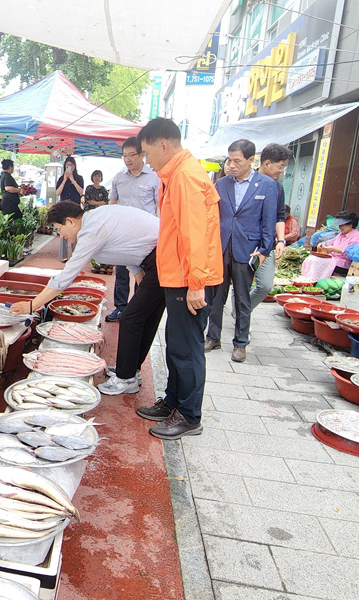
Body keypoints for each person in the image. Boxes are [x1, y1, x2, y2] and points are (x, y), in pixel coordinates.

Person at [8, 201, 163, 395]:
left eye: (59, 229)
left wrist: (32, 305)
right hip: (156, 258)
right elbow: (126, 245)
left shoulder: (91, 231)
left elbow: (66, 277)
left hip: (163, 257)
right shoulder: (95, 219)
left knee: (131, 318)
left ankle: (126, 378)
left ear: (70, 221)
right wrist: (139, 272)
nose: (61, 235)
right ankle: (131, 370)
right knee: (143, 316)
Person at [136, 118, 223, 440]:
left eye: (147, 153)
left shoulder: (186, 176)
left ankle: (189, 415)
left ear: (164, 145)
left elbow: (195, 234)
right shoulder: (175, 175)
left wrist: (196, 284)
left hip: (190, 279)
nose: (147, 161)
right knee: (176, 344)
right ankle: (173, 401)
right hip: (179, 276)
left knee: (186, 349)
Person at [204, 139, 277, 363]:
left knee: (242, 299)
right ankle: (213, 336)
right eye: (229, 160)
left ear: (251, 160)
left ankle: (240, 343)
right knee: (215, 296)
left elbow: (269, 220)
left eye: (237, 161)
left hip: (248, 249)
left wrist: (264, 250)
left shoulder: (266, 185)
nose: (231, 165)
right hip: (221, 246)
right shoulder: (222, 184)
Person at [106, 137, 160, 322]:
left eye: (131, 155)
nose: (127, 159)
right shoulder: (119, 178)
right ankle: (120, 308)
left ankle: (139, 309)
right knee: (121, 273)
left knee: (143, 276)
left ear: (142, 154)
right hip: (123, 234)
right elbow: (112, 203)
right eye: (124, 156)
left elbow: (159, 206)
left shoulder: (154, 177)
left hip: (146, 236)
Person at [248, 143, 292, 310]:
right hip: (245, 242)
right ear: (266, 163)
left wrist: (281, 240)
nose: (281, 171)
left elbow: (279, 216)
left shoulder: (277, 187)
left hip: (266, 245)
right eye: (280, 167)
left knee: (265, 285)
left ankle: (244, 311)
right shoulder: (248, 182)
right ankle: (242, 320)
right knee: (242, 285)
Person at [316, 210, 359, 275]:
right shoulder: (341, 234)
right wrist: (323, 245)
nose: (340, 227)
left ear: (351, 225)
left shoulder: (357, 237)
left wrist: (335, 249)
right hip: (332, 260)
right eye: (339, 225)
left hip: (344, 265)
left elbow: (353, 255)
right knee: (312, 259)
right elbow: (331, 244)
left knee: (319, 263)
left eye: (342, 225)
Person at [55, 157, 84, 262]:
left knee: (75, 230)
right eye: (67, 166)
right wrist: (64, 180)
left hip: (75, 207)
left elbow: (81, 191)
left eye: (71, 166)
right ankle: (63, 255)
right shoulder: (60, 179)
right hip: (63, 207)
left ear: (74, 167)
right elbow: (57, 192)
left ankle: (76, 255)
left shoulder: (79, 178)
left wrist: (73, 180)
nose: (69, 168)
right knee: (63, 230)